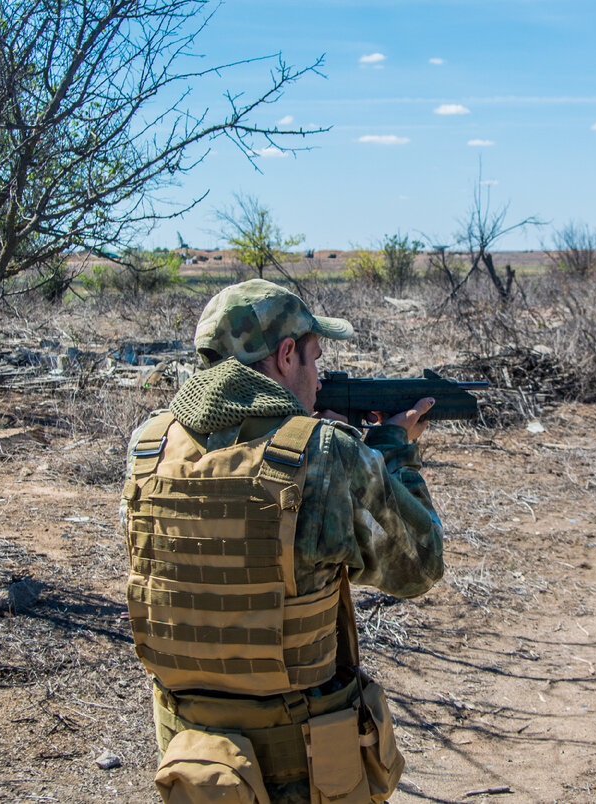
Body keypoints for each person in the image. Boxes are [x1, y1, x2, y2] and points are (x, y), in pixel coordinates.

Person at [121, 279, 444, 803]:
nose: (320, 377)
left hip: (194, 767)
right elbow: (420, 566)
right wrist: (391, 452)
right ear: (286, 354)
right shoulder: (329, 455)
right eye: (315, 359)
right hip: (308, 767)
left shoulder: (149, 445)